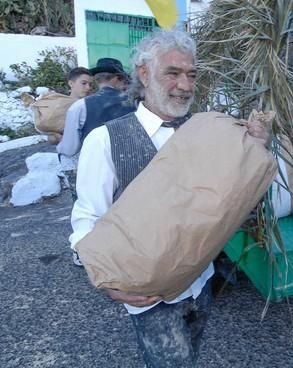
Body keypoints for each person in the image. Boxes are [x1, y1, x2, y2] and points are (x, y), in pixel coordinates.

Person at [70, 29, 269, 367]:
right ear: (144, 74)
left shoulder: (212, 132)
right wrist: (105, 282)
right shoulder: (105, 140)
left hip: (202, 281)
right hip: (148, 297)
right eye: (173, 73)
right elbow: (87, 216)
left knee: (191, 355)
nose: (186, 85)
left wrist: (253, 150)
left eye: (191, 74)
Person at [56, 57, 134, 158]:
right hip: (131, 164)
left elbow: (69, 149)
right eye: (123, 80)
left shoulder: (80, 106)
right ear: (116, 78)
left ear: (96, 79)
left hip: (96, 165)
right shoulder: (135, 102)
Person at [47, 67, 93, 145]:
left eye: (90, 84)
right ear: (71, 83)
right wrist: (58, 137)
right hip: (71, 154)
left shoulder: (93, 103)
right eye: (84, 83)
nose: (88, 87)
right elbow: (51, 139)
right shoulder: (61, 106)